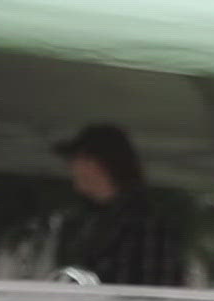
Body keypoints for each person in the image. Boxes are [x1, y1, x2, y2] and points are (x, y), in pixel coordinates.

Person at [51, 123, 185, 287]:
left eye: (79, 159)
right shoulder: (83, 220)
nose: (72, 168)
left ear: (99, 164)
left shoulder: (146, 223)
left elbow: (156, 291)